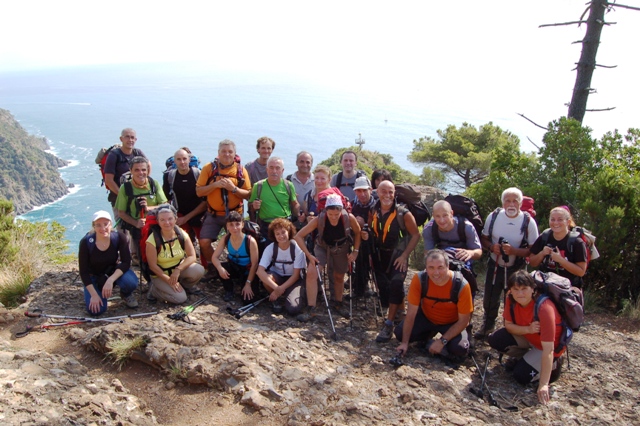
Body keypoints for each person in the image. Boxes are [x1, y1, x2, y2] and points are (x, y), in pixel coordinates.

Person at [488, 270, 566, 405]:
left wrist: (543, 384)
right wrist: (528, 329)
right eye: (516, 289)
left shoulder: (544, 308)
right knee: (496, 339)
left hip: (547, 348)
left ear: (533, 289)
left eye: (524, 289)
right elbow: (509, 326)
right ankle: (527, 359)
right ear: (510, 290)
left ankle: (555, 365)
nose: (520, 293)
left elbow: (548, 349)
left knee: (520, 376)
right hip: (529, 337)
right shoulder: (510, 299)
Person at [476, 188, 539, 339]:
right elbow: (484, 238)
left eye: (515, 201)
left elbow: (533, 249)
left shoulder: (528, 222)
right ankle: (488, 325)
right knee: (490, 296)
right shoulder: (494, 216)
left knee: (516, 298)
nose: (511, 204)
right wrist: (492, 247)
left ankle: (513, 329)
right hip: (495, 264)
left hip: (517, 268)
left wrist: (514, 251)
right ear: (502, 202)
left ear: (520, 203)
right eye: (507, 201)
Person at [365, 181, 420, 342]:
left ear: (394, 193)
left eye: (390, 192)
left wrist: (404, 256)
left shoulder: (404, 214)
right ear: (377, 192)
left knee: (396, 284)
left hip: (397, 257)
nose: (387, 195)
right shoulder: (373, 210)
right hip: (379, 256)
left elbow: (416, 235)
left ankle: (389, 324)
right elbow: (371, 229)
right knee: (386, 289)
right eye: (383, 191)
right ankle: (400, 313)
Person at [395, 249, 473, 361]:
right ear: (426, 268)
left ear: (448, 266)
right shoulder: (420, 279)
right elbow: (411, 314)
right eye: (431, 268)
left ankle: (438, 340)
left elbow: (464, 321)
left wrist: (442, 341)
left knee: (459, 349)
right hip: (427, 318)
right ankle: (428, 335)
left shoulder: (461, 285)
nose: (436, 273)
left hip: (451, 323)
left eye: (440, 267)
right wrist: (404, 343)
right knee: (400, 333)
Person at [295, 194, 362, 321]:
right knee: (312, 273)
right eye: (330, 214)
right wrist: (309, 255)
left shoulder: (348, 218)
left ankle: (338, 302)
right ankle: (311, 307)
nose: (333, 218)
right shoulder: (319, 219)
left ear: (341, 210)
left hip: (341, 247)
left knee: (339, 276)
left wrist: (355, 251)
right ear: (326, 211)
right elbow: (298, 236)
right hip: (322, 246)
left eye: (336, 214)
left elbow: (358, 232)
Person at [196, 140, 252, 276]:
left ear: (234, 154)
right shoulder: (208, 169)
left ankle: (236, 269)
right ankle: (213, 267)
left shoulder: (240, 170)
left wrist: (233, 189)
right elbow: (199, 191)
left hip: (234, 215)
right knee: (203, 242)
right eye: (224, 151)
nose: (227, 154)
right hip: (213, 214)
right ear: (218, 153)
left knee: (236, 244)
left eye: (230, 151)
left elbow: (248, 195)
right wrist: (215, 185)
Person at [78, 211, 139, 314]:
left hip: (112, 273)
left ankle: (126, 294)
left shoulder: (119, 237)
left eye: (106, 224)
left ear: (111, 224)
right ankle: (97, 291)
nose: (103, 228)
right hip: (94, 276)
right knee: (96, 311)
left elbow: (126, 262)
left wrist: (110, 280)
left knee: (131, 282)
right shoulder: (86, 242)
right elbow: (83, 272)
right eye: (98, 225)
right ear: (94, 227)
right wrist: (94, 295)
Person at [145, 205, 205, 304]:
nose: (167, 223)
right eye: (162, 220)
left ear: (175, 219)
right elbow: (153, 266)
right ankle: (154, 291)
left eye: (170, 219)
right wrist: (168, 280)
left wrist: (178, 270)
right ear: (158, 221)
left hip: (176, 272)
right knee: (180, 298)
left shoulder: (181, 234)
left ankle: (183, 286)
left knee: (199, 270)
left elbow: (192, 256)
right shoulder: (152, 240)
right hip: (160, 275)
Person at [423, 200, 482, 297]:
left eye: (445, 215)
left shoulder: (466, 227)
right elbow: (428, 255)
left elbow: (478, 252)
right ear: (433, 215)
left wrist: (470, 253)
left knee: (467, 291)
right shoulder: (429, 229)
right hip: (441, 263)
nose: (442, 220)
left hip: (463, 264)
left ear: (451, 213)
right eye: (437, 216)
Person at [115, 156, 167, 261]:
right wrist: (136, 223)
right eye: (137, 170)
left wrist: (148, 208)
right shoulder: (125, 188)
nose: (141, 173)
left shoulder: (153, 184)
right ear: (131, 171)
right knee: (142, 256)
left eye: (143, 169)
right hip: (137, 228)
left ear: (148, 170)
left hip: (156, 225)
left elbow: (164, 205)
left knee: (159, 253)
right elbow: (121, 212)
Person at [162, 148, 208, 265]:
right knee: (179, 241)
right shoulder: (169, 177)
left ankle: (206, 268)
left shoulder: (198, 174)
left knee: (203, 241)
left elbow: (205, 202)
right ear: (174, 162)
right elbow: (166, 200)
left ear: (189, 160)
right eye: (179, 159)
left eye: (184, 159)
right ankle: (181, 266)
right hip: (179, 214)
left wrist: (186, 218)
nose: (182, 162)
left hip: (199, 214)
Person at [257, 218, 307, 316]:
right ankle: (277, 299)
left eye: (283, 232)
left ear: (289, 232)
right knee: (267, 277)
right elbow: (260, 271)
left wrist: (281, 288)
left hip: (293, 280)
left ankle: (291, 295)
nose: (281, 236)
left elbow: (296, 275)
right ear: (274, 235)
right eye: (277, 234)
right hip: (277, 277)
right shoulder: (270, 248)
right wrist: (277, 288)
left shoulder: (297, 248)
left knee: (293, 309)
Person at [528, 206, 588, 288]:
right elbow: (532, 262)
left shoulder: (576, 242)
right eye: (552, 219)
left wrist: (561, 260)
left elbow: (581, 271)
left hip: (568, 289)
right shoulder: (544, 237)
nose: (555, 223)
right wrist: (542, 253)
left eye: (560, 219)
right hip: (545, 286)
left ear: (568, 222)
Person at [211, 211, 261, 303]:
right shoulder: (225, 238)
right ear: (227, 226)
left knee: (248, 300)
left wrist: (248, 284)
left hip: (248, 271)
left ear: (242, 224)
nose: (234, 228)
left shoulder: (250, 241)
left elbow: (254, 265)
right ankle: (229, 290)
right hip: (234, 267)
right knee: (221, 267)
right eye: (231, 225)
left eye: (237, 224)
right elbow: (214, 257)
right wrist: (219, 268)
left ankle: (245, 284)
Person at [249, 157, 299, 242]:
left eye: (277, 168)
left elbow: (295, 203)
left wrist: (299, 215)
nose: (274, 171)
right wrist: (254, 206)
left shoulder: (288, 185)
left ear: (282, 171)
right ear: (267, 170)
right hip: (266, 227)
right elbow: (250, 207)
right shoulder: (258, 186)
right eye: (271, 168)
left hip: (285, 225)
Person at [103, 128, 146, 220]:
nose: (130, 140)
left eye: (132, 137)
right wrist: (124, 197)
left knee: (139, 228)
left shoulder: (138, 153)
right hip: (118, 199)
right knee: (123, 231)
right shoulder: (114, 155)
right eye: (127, 137)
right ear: (121, 139)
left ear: (135, 140)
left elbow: (148, 165)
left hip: (136, 199)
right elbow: (109, 180)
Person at [351, 176, 376, 299]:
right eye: (359, 191)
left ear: (370, 190)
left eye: (364, 190)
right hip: (357, 240)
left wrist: (365, 226)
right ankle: (359, 288)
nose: (362, 194)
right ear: (355, 192)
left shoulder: (377, 205)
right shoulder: (352, 205)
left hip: (374, 241)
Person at [245, 136, 276, 221]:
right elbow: (245, 188)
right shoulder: (250, 167)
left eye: (269, 148)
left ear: (272, 150)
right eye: (263, 148)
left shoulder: (275, 167)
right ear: (258, 149)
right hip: (254, 207)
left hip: (271, 206)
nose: (266, 151)